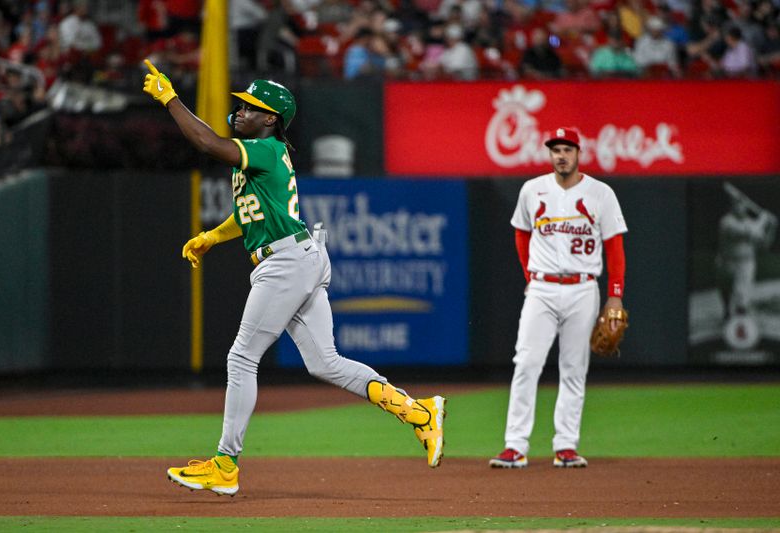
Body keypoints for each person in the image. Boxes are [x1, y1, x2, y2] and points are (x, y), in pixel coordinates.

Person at [141, 60, 446, 496]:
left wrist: (170, 99)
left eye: (250, 107)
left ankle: (226, 464)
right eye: (241, 104)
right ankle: (419, 413)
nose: (241, 110)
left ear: (271, 119)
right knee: (326, 362)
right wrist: (213, 235)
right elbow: (251, 213)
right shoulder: (262, 153)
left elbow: (207, 142)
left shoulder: (264, 149)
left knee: (241, 357)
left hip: (285, 262)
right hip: (298, 255)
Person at [489, 127, 627, 469]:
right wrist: (528, 276)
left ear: (579, 153)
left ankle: (566, 445)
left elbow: (615, 248)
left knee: (573, 368)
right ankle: (515, 445)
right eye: (555, 150)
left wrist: (615, 296)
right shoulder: (532, 190)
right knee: (526, 363)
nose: (560, 155)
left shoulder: (601, 193)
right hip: (542, 288)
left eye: (567, 149)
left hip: (583, 288)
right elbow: (521, 235)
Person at [716, 183, 778, 320]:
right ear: (732, 207)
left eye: (743, 205)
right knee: (725, 290)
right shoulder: (727, 222)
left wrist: (772, 228)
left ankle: (740, 320)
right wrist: (764, 219)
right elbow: (751, 232)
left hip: (745, 263)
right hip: (725, 262)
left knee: (741, 296)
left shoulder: (750, 222)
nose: (741, 207)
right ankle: (726, 311)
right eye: (738, 205)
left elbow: (765, 244)